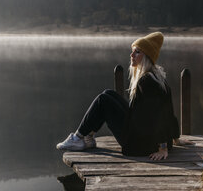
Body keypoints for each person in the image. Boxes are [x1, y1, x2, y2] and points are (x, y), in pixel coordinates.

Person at [56, 32, 193, 160]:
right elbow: (169, 111)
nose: (132, 55)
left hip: (140, 144)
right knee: (108, 93)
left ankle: (78, 137)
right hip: (146, 137)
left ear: (147, 57)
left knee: (103, 100)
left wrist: (163, 148)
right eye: (132, 51)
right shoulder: (158, 77)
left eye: (137, 52)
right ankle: (87, 137)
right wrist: (175, 138)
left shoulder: (147, 82)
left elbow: (158, 115)